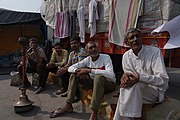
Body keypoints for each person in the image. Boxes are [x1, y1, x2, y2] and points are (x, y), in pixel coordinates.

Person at [50, 41, 116, 120]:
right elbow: (71, 68)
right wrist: (79, 71)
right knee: (73, 75)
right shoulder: (87, 60)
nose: (93, 49)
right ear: (87, 51)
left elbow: (111, 75)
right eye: (90, 48)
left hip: (108, 84)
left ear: (97, 48)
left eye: (95, 47)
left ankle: (94, 112)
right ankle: (68, 105)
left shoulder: (105, 57)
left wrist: (89, 70)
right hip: (94, 84)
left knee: (98, 77)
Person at [113, 28, 169, 120]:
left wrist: (140, 77)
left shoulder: (155, 52)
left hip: (154, 92)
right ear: (127, 43)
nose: (135, 39)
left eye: (137, 36)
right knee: (126, 89)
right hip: (136, 92)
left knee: (135, 86)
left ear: (142, 39)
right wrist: (125, 78)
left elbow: (163, 80)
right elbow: (130, 80)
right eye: (132, 38)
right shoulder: (126, 56)